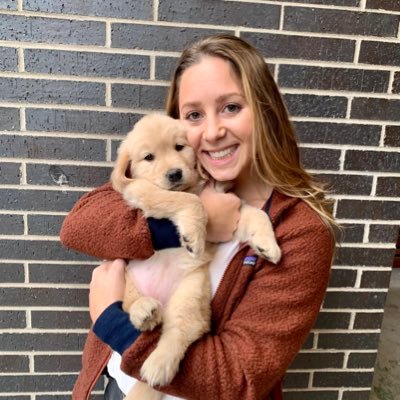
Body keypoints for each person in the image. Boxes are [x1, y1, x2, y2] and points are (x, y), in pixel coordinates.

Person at [60, 34, 336, 400]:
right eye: (193, 114)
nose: (212, 131)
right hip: (119, 388)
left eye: (231, 107)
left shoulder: (300, 232)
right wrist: (182, 224)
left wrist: (113, 322)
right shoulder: (176, 179)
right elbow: (78, 226)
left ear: (265, 110)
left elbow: (236, 377)